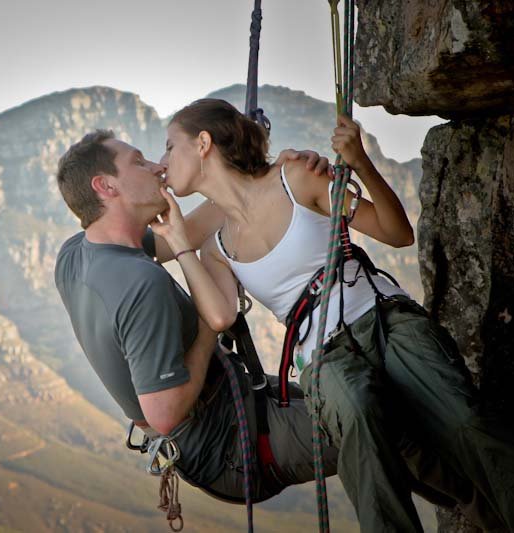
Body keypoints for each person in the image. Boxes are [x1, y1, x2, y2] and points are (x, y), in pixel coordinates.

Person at [155, 97, 514, 532]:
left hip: (384, 316)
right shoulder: (215, 249)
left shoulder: (296, 177)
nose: (163, 161)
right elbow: (220, 316)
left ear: (202, 143)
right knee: (360, 426)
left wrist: (361, 164)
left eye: (170, 147)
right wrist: (179, 240)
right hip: (323, 356)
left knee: (466, 423)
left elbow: (397, 233)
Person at [54, 130, 340, 508]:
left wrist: (265, 178)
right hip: (232, 444)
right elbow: (165, 415)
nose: (158, 167)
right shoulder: (141, 284)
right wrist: (210, 323)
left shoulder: (78, 253)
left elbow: (183, 234)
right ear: (105, 185)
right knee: (386, 425)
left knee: (372, 404)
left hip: (229, 412)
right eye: (139, 162)